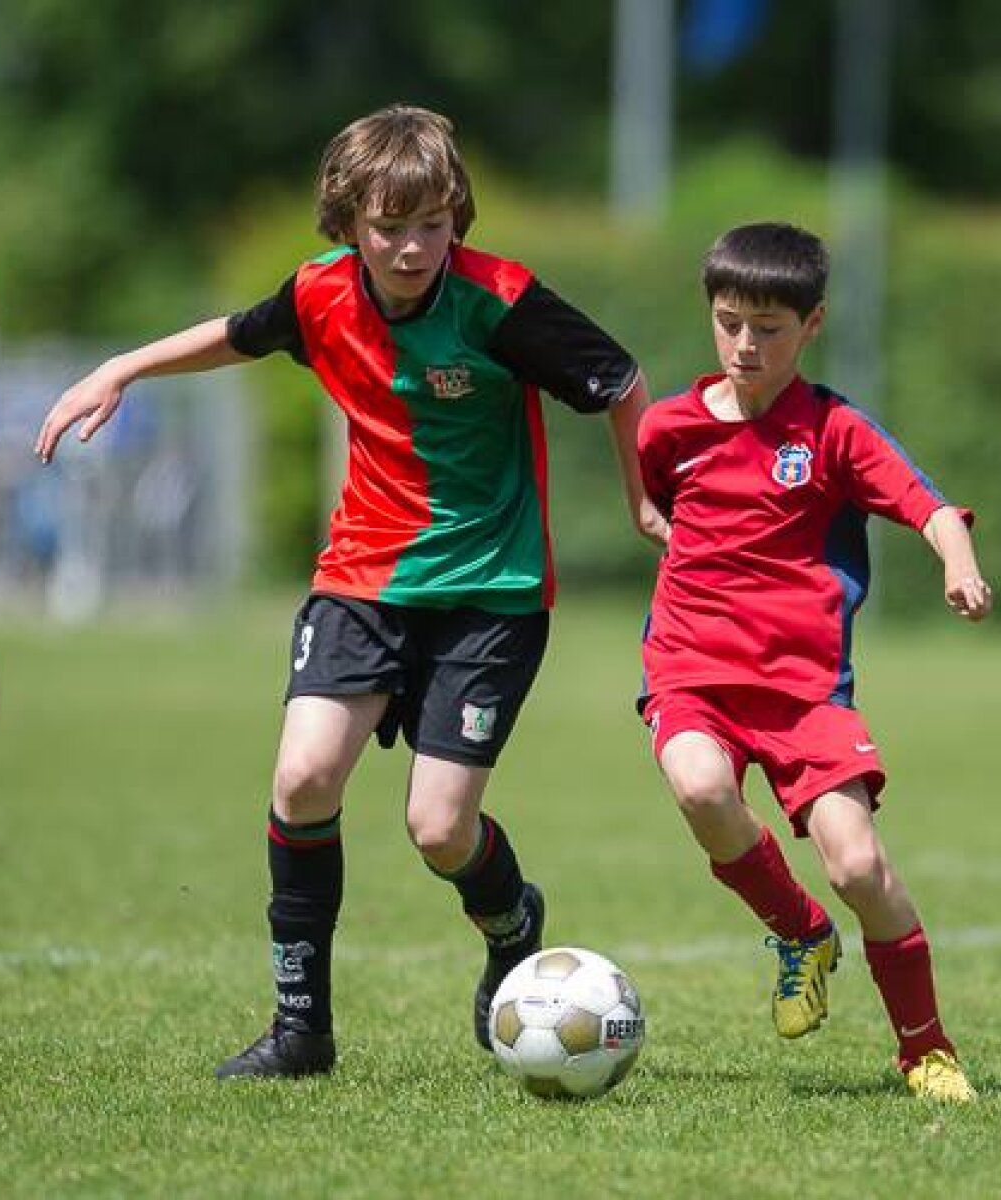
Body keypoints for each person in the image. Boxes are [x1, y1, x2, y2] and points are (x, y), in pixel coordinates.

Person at [36, 104, 667, 1080]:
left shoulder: (500, 301)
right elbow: (238, 334)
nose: (414, 246)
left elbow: (621, 381)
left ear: (458, 215)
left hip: (489, 594)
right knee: (302, 779)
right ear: (348, 222)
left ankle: (512, 920)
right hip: (363, 579)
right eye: (390, 226)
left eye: (433, 222)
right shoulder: (320, 296)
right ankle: (302, 1034)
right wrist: (122, 368)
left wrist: (641, 497)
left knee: (438, 828)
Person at [636, 222, 991, 1102]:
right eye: (729, 323)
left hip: (802, 690)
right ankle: (799, 933)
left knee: (858, 868)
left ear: (813, 323)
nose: (745, 345)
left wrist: (959, 563)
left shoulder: (834, 431)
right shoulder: (669, 428)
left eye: (769, 328)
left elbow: (930, 506)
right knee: (699, 786)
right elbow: (655, 504)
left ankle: (925, 1049)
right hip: (690, 667)